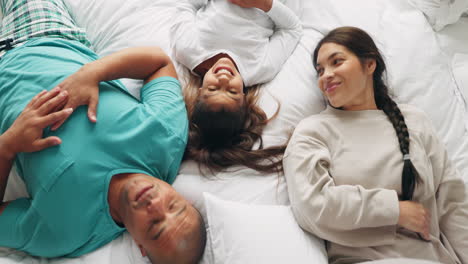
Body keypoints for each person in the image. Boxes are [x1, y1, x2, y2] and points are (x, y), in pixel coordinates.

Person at [0, 0, 206, 263]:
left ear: (140, 247)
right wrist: (92, 73)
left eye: (154, 227)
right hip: (42, 35)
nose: (155, 205)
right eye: (173, 206)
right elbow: (159, 63)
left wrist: (8, 146)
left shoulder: (65, 233)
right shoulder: (165, 137)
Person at [283, 26, 468, 264]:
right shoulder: (312, 131)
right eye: (320, 70)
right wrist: (395, 211)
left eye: (336, 62)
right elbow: (312, 204)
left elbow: (452, 203)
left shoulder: (414, 121)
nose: (325, 75)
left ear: (369, 65)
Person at [170, 0, 302, 173]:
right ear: (243, 96)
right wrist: (264, 4)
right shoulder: (260, 69)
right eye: (232, 91)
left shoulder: (187, 50)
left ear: (200, 91)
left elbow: (186, 6)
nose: (223, 79)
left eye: (213, 89)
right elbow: (292, 29)